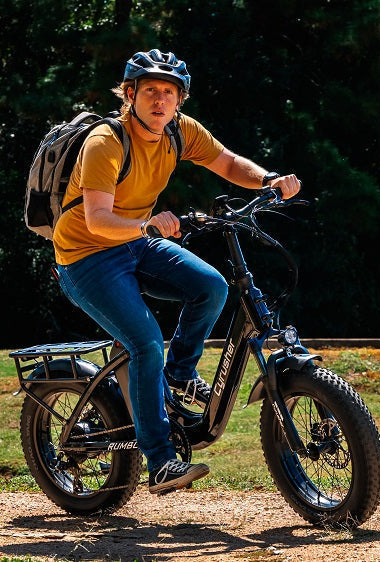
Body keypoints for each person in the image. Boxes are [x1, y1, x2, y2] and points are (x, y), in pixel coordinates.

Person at [52, 49, 301, 495]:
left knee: (211, 286)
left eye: (169, 92)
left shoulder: (179, 132)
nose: (159, 100)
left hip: (135, 242)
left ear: (179, 101)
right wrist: (147, 225)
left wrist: (268, 179)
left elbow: (226, 162)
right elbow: (96, 218)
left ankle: (181, 374)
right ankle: (161, 460)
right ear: (130, 94)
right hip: (85, 255)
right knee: (146, 342)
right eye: (150, 90)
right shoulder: (106, 142)